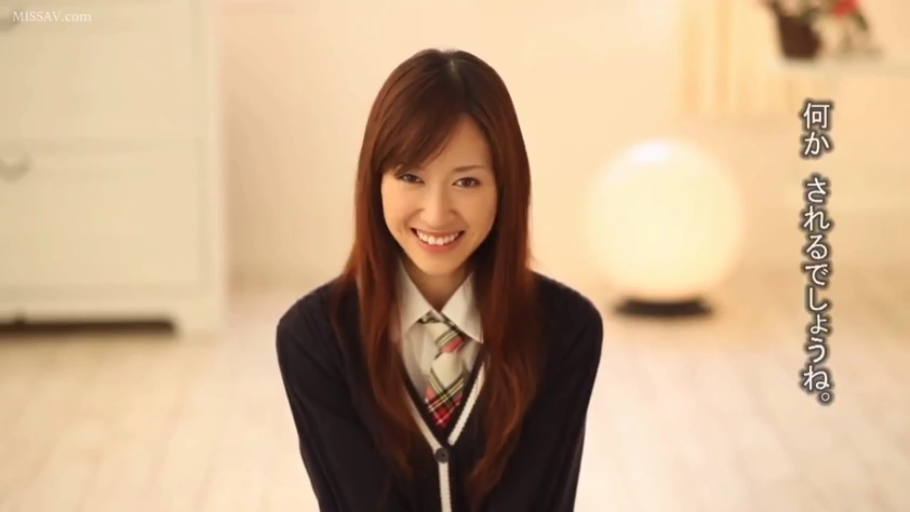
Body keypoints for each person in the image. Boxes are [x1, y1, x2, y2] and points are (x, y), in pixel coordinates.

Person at [275, 48, 604, 512]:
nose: (435, 213)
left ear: (505, 188)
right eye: (411, 176)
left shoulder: (566, 330)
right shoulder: (315, 339)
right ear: (375, 182)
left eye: (466, 182)